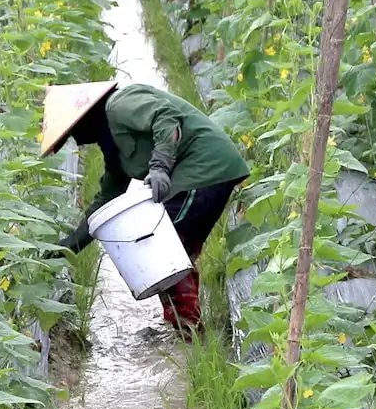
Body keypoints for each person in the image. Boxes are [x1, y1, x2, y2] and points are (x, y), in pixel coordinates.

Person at [41, 80, 249, 337]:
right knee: (166, 251)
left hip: (206, 166)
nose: (78, 142)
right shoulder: (113, 144)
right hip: (195, 175)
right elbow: (107, 197)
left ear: (85, 118)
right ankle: (182, 327)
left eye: (73, 133)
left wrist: (160, 166)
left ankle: (189, 330)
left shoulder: (120, 104)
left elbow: (166, 116)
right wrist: (70, 245)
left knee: (164, 244)